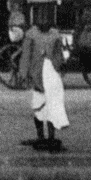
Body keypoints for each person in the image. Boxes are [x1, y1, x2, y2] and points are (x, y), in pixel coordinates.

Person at [16, 17, 69, 151]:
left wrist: (59, 67)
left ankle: (50, 138)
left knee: (50, 107)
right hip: (37, 73)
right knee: (39, 107)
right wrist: (24, 74)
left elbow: (58, 55)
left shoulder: (54, 35)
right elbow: (26, 56)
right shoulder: (31, 35)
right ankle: (42, 137)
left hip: (50, 75)